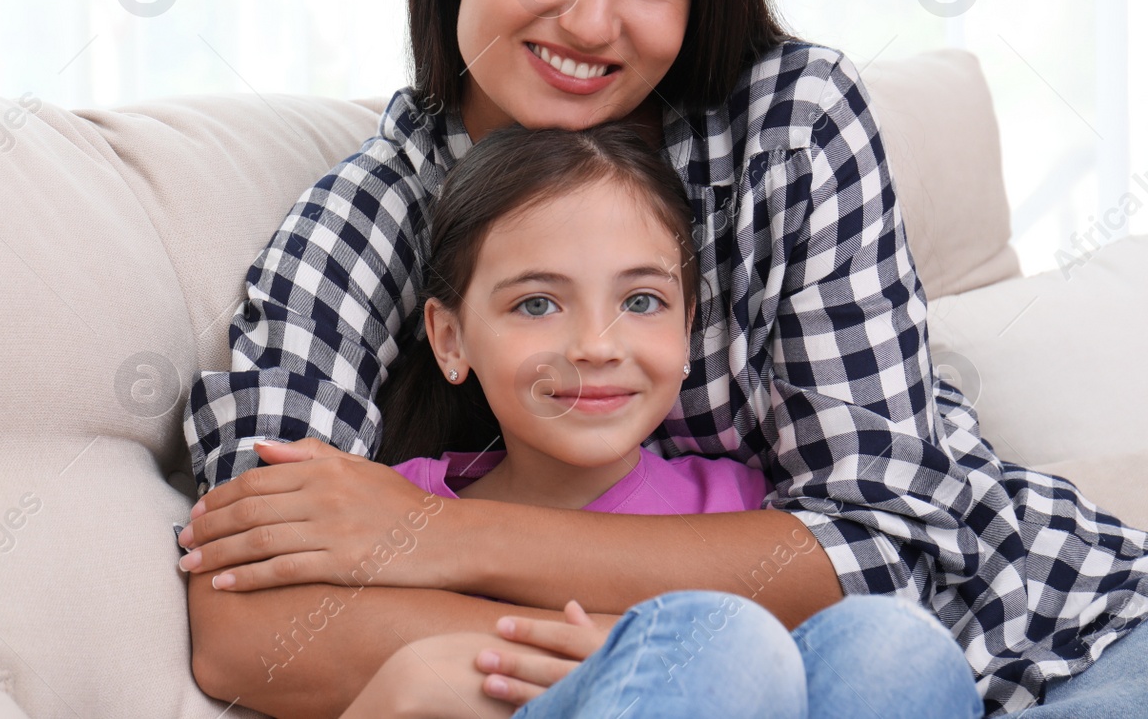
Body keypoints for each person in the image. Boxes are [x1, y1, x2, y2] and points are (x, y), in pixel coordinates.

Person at [178, 0, 1148, 718]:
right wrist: (634, 654)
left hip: (1054, 632)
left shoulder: (785, 126)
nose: (592, 21)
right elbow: (246, 618)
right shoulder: (362, 225)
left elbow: (881, 551)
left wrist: (436, 535)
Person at [337, 117, 985, 717]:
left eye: (641, 299)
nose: (597, 343)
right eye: (537, 304)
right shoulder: (393, 507)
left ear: (687, 327)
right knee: (726, 645)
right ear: (450, 339)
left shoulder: (744, 516)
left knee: (898, 644)